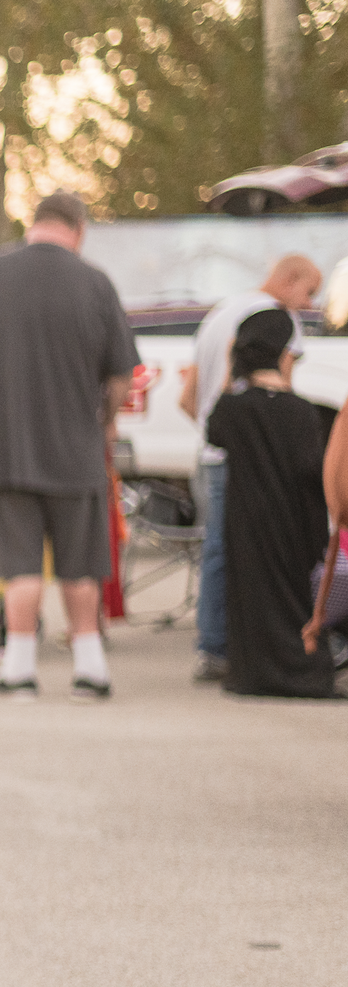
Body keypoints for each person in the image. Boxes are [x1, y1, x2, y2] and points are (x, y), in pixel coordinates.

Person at [0, 192, 140, 702]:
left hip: (7, 451)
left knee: (20, 566)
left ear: (35, 224)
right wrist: (104, 422)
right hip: (77, 453)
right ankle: (91, 671)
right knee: (80, 567)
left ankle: (19, 671)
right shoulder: (96, 282)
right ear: (79, 228)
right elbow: (121, 374)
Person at [181, 254, 323, 683]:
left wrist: (219, 426)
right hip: (251, 460)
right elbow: (283, 392)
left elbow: (188, 398)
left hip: (211, 455)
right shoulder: (277, 320)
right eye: (309, 291)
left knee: (217, 549)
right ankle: (245, 644)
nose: (309, 303)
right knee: (261, 551)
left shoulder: (220, 313)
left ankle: (214, 642)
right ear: (288, 279)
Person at [204, 309, 345, 698]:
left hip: (246, 519)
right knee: (294, 597)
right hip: (293, 521)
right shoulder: (301, 411)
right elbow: (309, 469)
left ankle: (252, 673)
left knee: (251, 595)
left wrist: (230, 373)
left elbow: (213, 432)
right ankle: (302, 668)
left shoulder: (234, 409)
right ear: (283, 354)